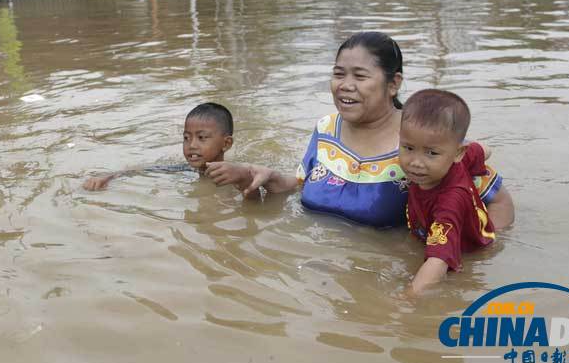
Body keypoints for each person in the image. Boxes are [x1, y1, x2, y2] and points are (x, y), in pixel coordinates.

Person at [206, 32, 515, 230]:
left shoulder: (422, 141)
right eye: (339, 74)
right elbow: (302, 185)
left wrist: (482, 260)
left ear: (393, 83)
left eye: (360, 76)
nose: (345, 85)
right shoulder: (326, 129)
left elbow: (499, 202)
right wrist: (264, 177)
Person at [399, 89, 496, 294]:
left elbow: (439, 261)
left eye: (431, 153)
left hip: (469, 250)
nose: (416, 163)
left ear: (457, 153)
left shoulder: (450, 201)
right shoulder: (456, 157)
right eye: (408, 148)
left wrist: (408, 296)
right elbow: (483, 150)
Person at [83, 102, 235, 191]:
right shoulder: (187, 170)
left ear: (226, 144)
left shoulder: (236, 177)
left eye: (201, 138)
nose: (192, 145)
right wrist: (108, 177)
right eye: (186, 138)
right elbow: (142, 170)